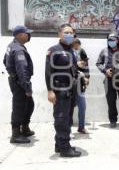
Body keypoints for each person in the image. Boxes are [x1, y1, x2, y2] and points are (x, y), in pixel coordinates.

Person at [45, 24, 81, 157]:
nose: (69, 34)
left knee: (67, 118)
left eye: (71, 32)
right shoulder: (54, 50)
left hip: (70, 90)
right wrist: (50, 91)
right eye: (66, 32)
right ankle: (65, 148)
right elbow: (48, 72)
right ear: (59, 34)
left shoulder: (70, 50)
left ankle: (59, 145)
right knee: (61, 119)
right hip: (60, 89)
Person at [3, 26, 35, 144]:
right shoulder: (18, 49)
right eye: (26, 33)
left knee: (29, 104)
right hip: (20, 82)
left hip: (16, 79)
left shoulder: (12, 45)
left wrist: (11, 73)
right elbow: (22, 70)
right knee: (19, 106)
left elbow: (5, 61)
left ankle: (25, 128)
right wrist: (26, 87)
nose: (28, 36)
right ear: (19, 35)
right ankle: (16, 135)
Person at [96, 33, 119, 128]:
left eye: (113, 39)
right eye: (109, 40)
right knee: (111, 101)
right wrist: (105, 70)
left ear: (118, 40)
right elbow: (98, 63)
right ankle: (113, 120)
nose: (111, 41)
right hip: (109, 80)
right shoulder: (104, 51)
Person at [72, 38, 90, 134]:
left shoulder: (82, 51)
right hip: (69, 84)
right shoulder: (66, 52)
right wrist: (76, 64)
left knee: (82, 106)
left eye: (78, 45)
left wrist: (87, 77)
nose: (77, 47)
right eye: (75, 45)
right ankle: (66, 127)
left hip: (79, 83)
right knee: (68, 107)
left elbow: (86, 65)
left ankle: (81, 127)